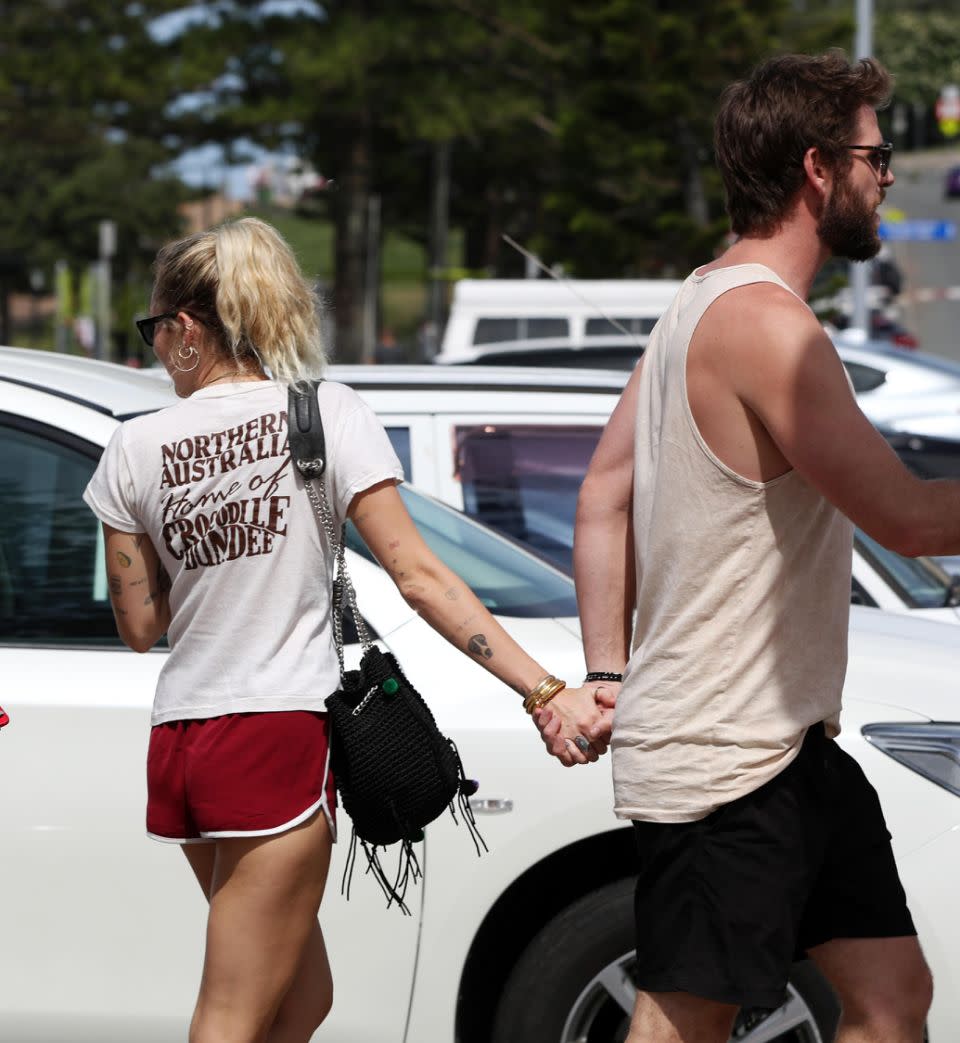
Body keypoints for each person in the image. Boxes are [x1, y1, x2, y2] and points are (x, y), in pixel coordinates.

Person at [82, 216, 606, 1043]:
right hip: (273, 735)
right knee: (231, 1014)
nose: (155, 349)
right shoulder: (322, 413)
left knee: (298, 1000)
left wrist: (205, 551)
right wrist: (543, 688)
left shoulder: (132, 447)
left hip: (181, 741)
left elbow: (141, 625)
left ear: (188, 328)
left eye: (156, 331)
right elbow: (419, 575)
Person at [543, 51, 944, 1043]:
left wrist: (605, 668)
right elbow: (906, 517)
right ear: (820, 167)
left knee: (893, 1000)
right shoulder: (766, 325)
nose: (886, 175)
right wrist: (609, 670)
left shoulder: (698, 300)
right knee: (683, 1021)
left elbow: (603, 491)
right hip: (724, 757)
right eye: (875, 154)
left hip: (787, 740)